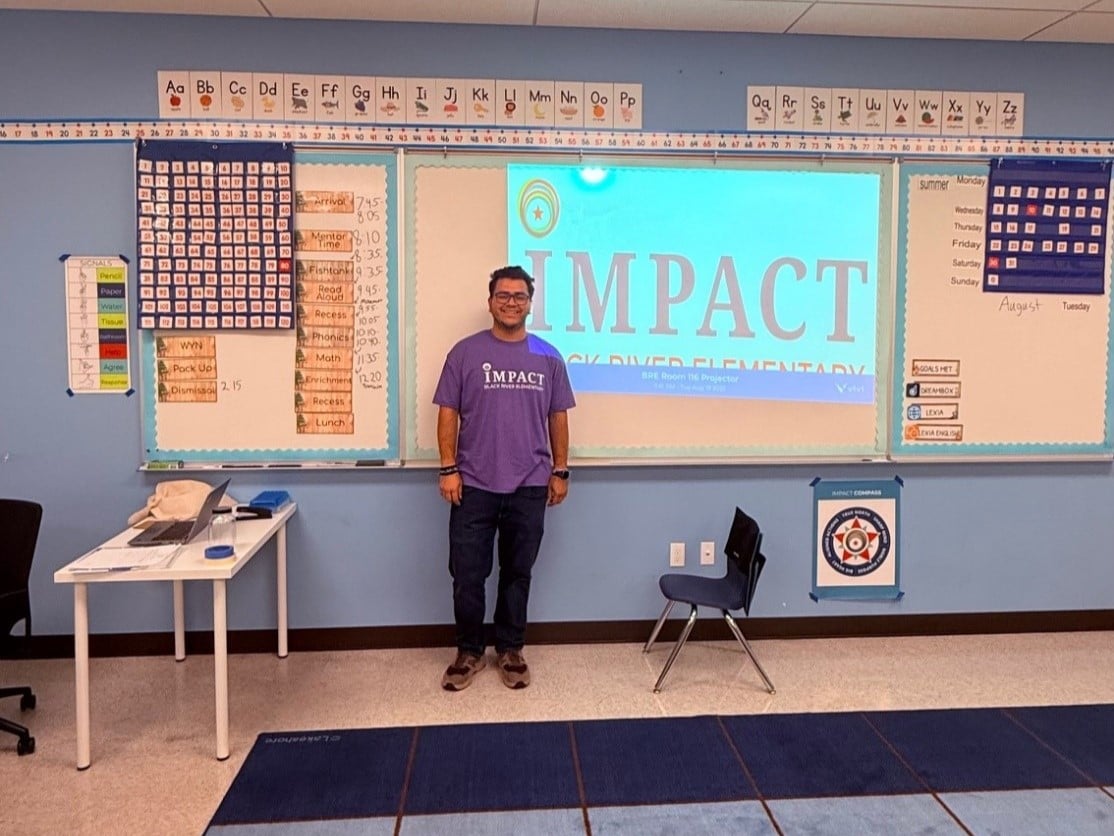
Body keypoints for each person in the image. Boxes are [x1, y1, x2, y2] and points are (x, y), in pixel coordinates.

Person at [433, 265, 576, 691]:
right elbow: (448, 412)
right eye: (503, 295)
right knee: (467, 576)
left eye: (519, 296)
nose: (511, 302)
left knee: (517, 573)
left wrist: (561, 469)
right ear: (490, 301)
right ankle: (469, 652)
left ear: (530, 304)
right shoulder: (464, 353)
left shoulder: (549, 357)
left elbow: (558, 417)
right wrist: (448, 468)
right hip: (473, 484)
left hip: (530, 484)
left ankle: (511, 650)